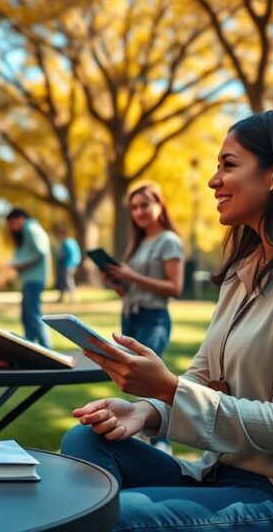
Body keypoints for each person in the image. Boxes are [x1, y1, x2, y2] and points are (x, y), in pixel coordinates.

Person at [60, 109, 273, 532]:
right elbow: (204, 379)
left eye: (229, 165)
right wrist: (146, 411)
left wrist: (167, 387)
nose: (213, 181)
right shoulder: (244, 268)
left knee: (115, 516)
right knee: (84, 442)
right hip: (222, 474)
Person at [101, 182, 184, 454]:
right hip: (131, 318)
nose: (139, 211)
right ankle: (144, 441)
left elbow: (175, 287)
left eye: (145, 205)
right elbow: (130, 291)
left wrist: (130, 275)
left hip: (154, 318)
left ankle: (162, 445)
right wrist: (115, 282)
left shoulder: (168, 241)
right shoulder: (138, 244)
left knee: (149, 382)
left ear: (160, 205)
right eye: (134, 207)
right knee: (134, 383)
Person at [6, 208, 51, 347]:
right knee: (27, 317)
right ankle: (30, 347)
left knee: (33, 316)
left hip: (34, 279)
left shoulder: (30, 228)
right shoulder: (29, 229)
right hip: (30, 279)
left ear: (19, 218)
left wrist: (19, 264)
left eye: (11, 223)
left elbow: (41, 252)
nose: (11, 227)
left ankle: (47, 349)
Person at [53, 225, 81, 303]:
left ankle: (74, 297)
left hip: (67, 265)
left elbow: (62, 255)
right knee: (65, 281)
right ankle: (61, 297)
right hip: (72, 265)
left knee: (68, 281)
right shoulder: (72, 241)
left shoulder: (66, 243)